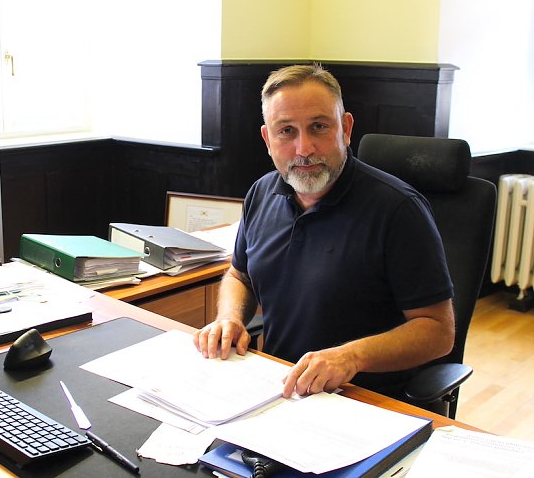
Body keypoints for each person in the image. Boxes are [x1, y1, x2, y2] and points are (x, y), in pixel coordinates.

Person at [193, 63, 455, 401]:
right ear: (267, 139)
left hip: (364, 400)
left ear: (345, 129)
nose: (304, 149)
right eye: (286, 131)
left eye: (318, 127)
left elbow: (438, 331)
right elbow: (239, 275)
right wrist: (228, 318)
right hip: (276, 388)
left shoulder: (398, 210)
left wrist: (351, 357)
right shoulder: (261, 193)